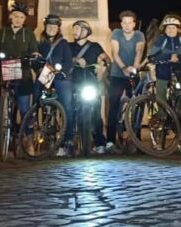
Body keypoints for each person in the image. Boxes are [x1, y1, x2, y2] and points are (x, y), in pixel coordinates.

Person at [0, 2, 39, 135]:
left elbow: (34, 50)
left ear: (24, 20)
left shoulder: (29, 33)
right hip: (5, 71)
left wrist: (34, 55)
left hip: (23, 73)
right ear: (11, 17)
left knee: (24, 108)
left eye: (21, 17)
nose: (18, 19)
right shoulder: (2, 32)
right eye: (16, 16)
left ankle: (28, 137)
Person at [34, 14, 74, 156]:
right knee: (36, 93)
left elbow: (69, 62)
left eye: (54, 26)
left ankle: (68, 141)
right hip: (46, 76)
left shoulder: (63, 43)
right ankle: (34, 121)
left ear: (58, 28)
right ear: (45, 27)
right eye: (49, 26)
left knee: (67, 108)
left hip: (60, 77)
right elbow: (35, 62)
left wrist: (63, 71)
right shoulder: (40, 43)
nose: (52, 29)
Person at [107, 10, 146, 152]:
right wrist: (123, 67)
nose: (127, 25)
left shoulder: (139, 35)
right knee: (113, 105)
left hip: (133, 72)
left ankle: (137, 139)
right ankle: (110, 141)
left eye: (130, 22)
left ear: (134, 24)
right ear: (121, 23)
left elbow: (139, 51)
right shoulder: (116, 33)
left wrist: (134, 69)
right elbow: (115, 53)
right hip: (117, 73)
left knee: (138, 105)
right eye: (124, 22)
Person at [69, 20, 110, 154]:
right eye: (73, 29)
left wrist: (103, 65)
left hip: (90, 82)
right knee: (69, 110)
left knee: (96, 111)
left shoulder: (95, 46)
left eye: (77, 29)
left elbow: (107, 59)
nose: (74, 31)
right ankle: (67, 141)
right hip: (73, 82)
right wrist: (75, 60)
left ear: (85, 31)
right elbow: (63, 59)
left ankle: (99, 142)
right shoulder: (69, 46)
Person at [147, 15, 181, 103]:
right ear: (165, 30)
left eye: (173, 28)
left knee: (180, 93)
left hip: (178, 70)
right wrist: (168, 57)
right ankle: (162, 114)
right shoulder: (162, 40)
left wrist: (179, 57)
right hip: (163, 70)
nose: (171, 30)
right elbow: (151, 55)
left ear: (177, 29)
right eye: (168, 28)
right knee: (161, 92)